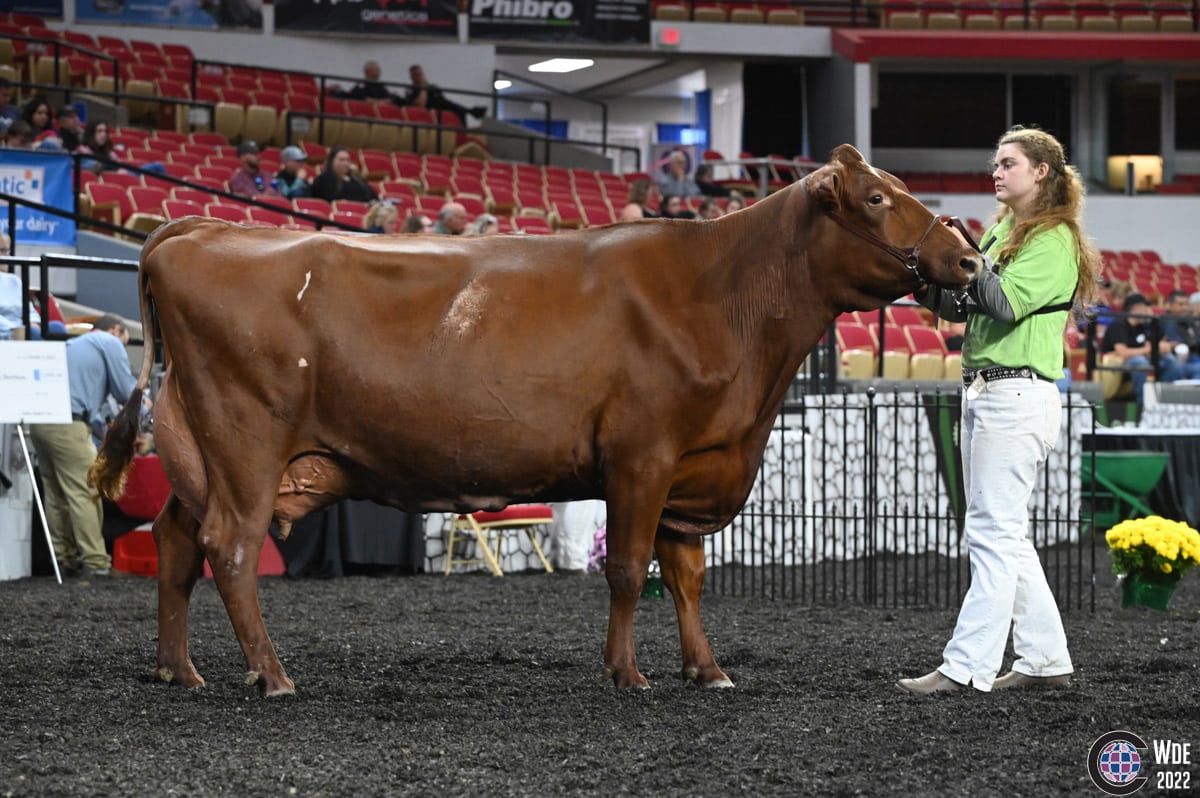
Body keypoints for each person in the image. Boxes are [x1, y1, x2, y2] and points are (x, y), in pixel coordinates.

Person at [899, 125, 1101, 695]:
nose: (997, 171)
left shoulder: (1055, 237)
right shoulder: (1007, 228)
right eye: (996, 163)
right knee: (1005, 535)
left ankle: (966, 667)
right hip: (991, 393)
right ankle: (1044, 660)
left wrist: (966, 258)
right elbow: (965, 306)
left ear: (1041, 171)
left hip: (1015, 395)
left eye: (1008, 163)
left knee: (990, 533)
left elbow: (1006, 304)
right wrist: (925, 276)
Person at [30, 314, 140, 578]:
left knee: (57, 495)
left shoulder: (75, 345)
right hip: (68, 423)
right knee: (86, 490)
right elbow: (128, 392)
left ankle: (63, 559)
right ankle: (95, 562)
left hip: (40, 422)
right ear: (116, 330)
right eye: (124, 342)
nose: (122, 349)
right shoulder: (108, 342)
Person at [1100, 292, 1184, 403]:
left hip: (1143, 360)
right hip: (1117, 366)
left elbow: (1158, 342)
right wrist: (1149, 349)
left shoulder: (1143, 326)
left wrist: (1163, 347)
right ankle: (1143, 405)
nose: (1148, 310)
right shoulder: (1119, 325)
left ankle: (1167, 401)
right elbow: (1123, 352)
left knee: (1169, 360)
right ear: (1136, 308)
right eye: (1145, 307)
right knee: (1139, 362)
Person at [405, 64, 485, 121]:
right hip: (431, 110)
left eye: (421, 74)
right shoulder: (411, 90)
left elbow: (442, 98)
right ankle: (472, 111)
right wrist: (423, 88)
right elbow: (420, 105)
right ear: (412, 77)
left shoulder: (431, 87)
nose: (420, 77)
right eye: (417, 75)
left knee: (459, 111)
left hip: (442, 106)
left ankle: (471, 111)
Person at [310, 146, 378, 203]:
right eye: (341, 160)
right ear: (331, 161)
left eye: (348, 160)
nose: (346, 163)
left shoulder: (357, 179)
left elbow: (373, 196)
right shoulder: (323, 180)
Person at [335, 60, 406, 105]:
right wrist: (379, 102)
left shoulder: (380, 85)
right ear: (367, 71)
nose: (379, 72)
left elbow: (388, 97)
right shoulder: (361, 85)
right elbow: (362, 99)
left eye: (379, 69)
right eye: (376, 69)